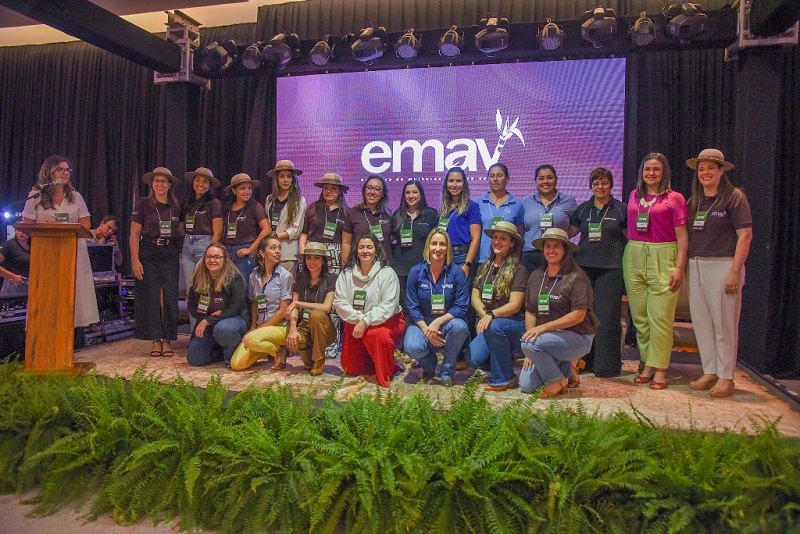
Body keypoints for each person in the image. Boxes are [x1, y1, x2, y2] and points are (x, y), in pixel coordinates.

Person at [685, 149, 752, 398]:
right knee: (702, 322)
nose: (705, 173)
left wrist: (735, 271)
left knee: (724, 324)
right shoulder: (695, 201)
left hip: (724, 265)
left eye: (710, 168)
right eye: (701, 169)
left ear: (721, 170)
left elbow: (745, 236)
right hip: (697, 265)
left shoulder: (734, 198)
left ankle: (726, 376)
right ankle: (710, 371)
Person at [623, 153, 688, 390]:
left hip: (664, 255)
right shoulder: (634, 195)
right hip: (634, 255)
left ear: (664, 173)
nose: (651, 173)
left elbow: (682, 236)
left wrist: (679, 268)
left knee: (659, 318)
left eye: (656, 169)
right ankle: (648, 363)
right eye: (647, 168)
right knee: (640, 318)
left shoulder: (675, 198)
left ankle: (660, 369)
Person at [23, 156, 99, 328]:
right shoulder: (36, 196)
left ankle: (69, 340)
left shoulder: (76, 196)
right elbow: (26, 226)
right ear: (49, 171)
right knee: (47, 297)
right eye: (61, 169)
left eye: (68, 170)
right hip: (46, 252)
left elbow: (86, 224)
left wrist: (66, 227)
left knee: (71, 297)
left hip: (72, 251)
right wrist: (43, 225)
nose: (65, 173)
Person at [520, 228, 597, 397]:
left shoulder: (577, 277)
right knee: (527, 385)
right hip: (546, 339)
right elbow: (531, 311)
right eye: (547, 246)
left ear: (565, 250)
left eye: (556, 246)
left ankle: (558, 380)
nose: (551, 250)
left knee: (529, 344)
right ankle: (567, 366)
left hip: (578, 337)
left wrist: (541, 332)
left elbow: (579, 315)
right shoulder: (536, 276)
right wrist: (530, 351)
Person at [569, 168, 627, 378]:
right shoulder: (584, 209)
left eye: (604, 183)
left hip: (611, 270)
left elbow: (630, 238)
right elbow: (570, 232)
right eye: (596, 184)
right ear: (590, 186)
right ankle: (586, 362)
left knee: (607, 317)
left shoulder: (621, 209)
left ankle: (607, 366)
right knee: (585, 317)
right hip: (584, 268)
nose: (600, 187)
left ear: (611, 185)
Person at [334, 233, 405, 387]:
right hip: (357, 322)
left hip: (387, 322)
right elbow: (340, 302)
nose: (365, 251)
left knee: (377, 335)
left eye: (369, 247)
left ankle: (384, 370)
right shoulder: (346, 274)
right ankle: (375, 359)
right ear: (356, 251)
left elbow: (389, 305)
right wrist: (361, 319)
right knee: (351, 368)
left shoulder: (387, 274)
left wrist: (366, 321)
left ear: (376, 251)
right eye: (361, 247)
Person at [465, 221, 528, 391]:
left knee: (495, 326)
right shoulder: (485, 266)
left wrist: (490, 316)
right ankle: (503, 360)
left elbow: (515, 305)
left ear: (512, 243)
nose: (497, 242)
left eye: (503, 238)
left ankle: (504, 379)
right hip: (491, 323)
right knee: (472, 359)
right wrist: (486, 315)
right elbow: (474, 297)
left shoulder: (519, 269)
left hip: (515, 324)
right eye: (495, 237)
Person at [404, 229, 470, 386]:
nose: (438, 248)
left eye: (442, 244)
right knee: (412, 347)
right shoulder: (416, 272)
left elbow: (462, 306)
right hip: (421, 322)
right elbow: (412, 307)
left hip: (447, 321)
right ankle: (429, 365)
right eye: (434, 244)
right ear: (428, 246)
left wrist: (438, 322)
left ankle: (447, 371)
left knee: (460, 326)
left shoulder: (457, 273)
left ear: (448, 248)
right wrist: (428, 329)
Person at [130, 167, 181, 357]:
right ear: (152, 184)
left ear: (169, 185)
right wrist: (135, 260)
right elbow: (134, 234)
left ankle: (167, 338)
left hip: (169, 252)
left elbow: (182, 230)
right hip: (149, 252)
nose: (160, 184)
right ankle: (155, 339)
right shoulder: (143, 205)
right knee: (150, 296)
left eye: (164, 181)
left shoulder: (176, 206)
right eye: (156, 181)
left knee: (169, 296)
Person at [230, 236, 293, 371]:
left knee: (250, 340)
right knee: (236, 365)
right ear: (262, 253)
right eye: (273, 248)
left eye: (279, 248)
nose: (278, 251)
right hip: (260, 328)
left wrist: (260, 329)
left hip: (280, 327)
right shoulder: (254, 275)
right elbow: (254, 303)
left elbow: (283, 312)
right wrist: (254, 326)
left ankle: (277, 349)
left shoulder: (285, 276)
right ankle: (271, 348)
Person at [185, 244, 248, 367]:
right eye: (209, 256)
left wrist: (209, 320)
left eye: (217, 257)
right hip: (208, 323)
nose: (212, 260)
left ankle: (230, 357)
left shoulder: (234, 278)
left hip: (233, 320)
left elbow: (236, 307)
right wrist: (205, 319)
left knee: (224, 329)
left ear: (225, 259)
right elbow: (192, 307)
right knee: (194, 359)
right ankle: (219, 351)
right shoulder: (199, 278)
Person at [284, 242, 337, 375]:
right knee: (291, 336)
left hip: (324, 328)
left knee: (316, 314)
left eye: (316, 258)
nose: (312, 262)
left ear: (323, 261)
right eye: (308, 258)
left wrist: (298, 304)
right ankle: (309, 359)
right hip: (305, 326)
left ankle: (319, 359)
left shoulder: (331, 278)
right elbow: (293, 308)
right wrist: (293, 328)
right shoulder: (300, 277)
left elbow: (326, 307)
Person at [391, 180, 439, 318]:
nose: (411, 195)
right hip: (401, 269)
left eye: (414, 192)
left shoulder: (431, 214)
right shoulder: (397, 214)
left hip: (423, 268)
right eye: (407, 192)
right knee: (405, 308)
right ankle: (406, 337)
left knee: (423, 305)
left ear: (421, 194)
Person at [522, 164, 578, 272]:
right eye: (541, 178)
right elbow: (521, 227)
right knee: (531, 287)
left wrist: (563, 236)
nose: (545, 181)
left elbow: (576, 224)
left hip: (558, 254)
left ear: (556, 180)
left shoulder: (569, 201)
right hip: (531, 254)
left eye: (550, 177)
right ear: (535, 181)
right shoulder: (527, 201)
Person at [181, 167, 223, 308]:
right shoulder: (188, 203)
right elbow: (181, 226)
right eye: (197, 180)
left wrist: (209, 253)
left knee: (203, 288)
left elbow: (217, 232)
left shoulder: (214, 203)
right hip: (187, 247)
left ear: (210, 186)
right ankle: (194, 329)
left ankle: (205, 327)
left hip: (205, 245)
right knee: (190, 290)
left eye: (205, 181)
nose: (201, 184)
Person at [299, 172, 349, 274]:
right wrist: (303, 253)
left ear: (340, 191)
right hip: (312, 253)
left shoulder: (347, 212)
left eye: (333, 188)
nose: (329, 191)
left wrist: (345, 261)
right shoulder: (312, 208)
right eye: (326, 188)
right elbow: (304, 233)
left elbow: (347, 241)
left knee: (333, 288)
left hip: (335, 255)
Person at [223, 173, 271, 277]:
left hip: (245, 250)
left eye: (249, 188)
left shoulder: (255, 206)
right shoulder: (227, 207)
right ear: (234, 190)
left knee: (244, 287)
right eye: (243, 188)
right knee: (227, 286)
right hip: (227, 250)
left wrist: (251, 249)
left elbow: (267, 229)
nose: (247, 192)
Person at [476, 163, 524, 265]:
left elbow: (521, 233)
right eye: (492, 176)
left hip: (507, 260)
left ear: (507, 178)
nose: (495, 179)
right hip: (483, 259)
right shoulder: (477, 203)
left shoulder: (517, 204)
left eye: (499, 175)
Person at [438, 167, 481, 279]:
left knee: (460, 295)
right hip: (443, 256)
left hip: (462, 256)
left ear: (464, 184)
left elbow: (475, 239)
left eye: (458, 181)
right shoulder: (443, 209)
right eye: (451, 181)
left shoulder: (472, 207)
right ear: (446, 183)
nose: (455, 184)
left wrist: (467, 265)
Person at [265, 160, 306, 273]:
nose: (285, 180)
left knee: (286, 289)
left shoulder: (299, 201)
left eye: (289, 176)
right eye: (282, 176)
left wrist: (275, 236)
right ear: (277, 179)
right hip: (270, 251)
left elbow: (296, 229)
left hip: (288, 253)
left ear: (293, 180)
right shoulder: (269, 199)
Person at [342, 175, 393, 265]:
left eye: (377, 189)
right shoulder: (353, 213)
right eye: (369, 188)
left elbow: (391, 239)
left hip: (384, 265)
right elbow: (346, 243)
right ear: (364, 190)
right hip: (360, 266)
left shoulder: (388, 214)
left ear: (383, 194)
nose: (372, 192)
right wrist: (345, 267)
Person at [0, 229, 30, 296]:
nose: (21, 232)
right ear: (15, 231)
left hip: (32, 285)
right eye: (18, 230)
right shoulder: (8, 245)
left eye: (24, 230)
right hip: (14, 285)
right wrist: (12, 276)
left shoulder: (34, 244)